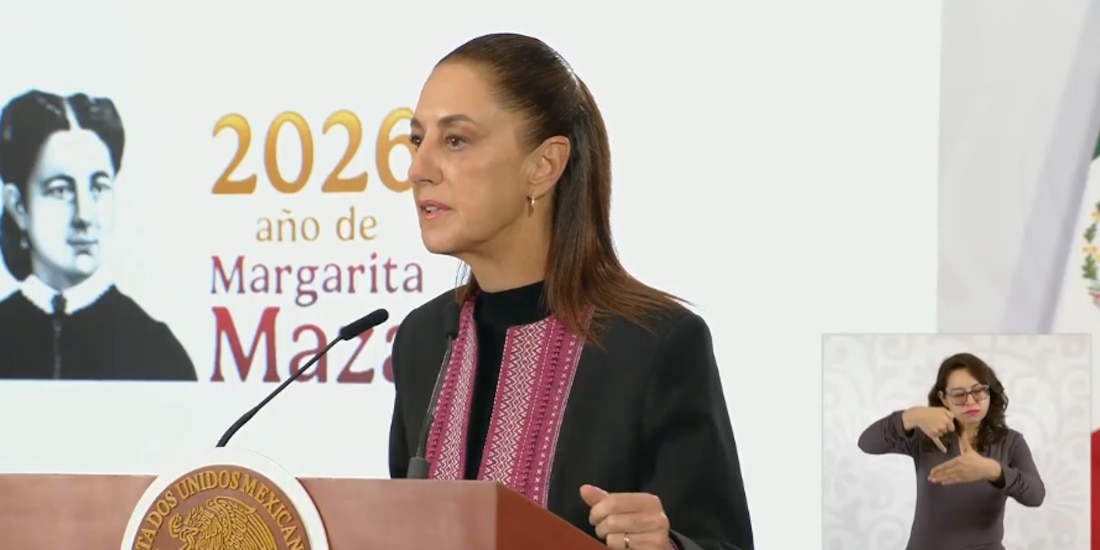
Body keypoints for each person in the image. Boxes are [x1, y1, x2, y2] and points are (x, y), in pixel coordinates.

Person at [386, 33, 754, 550]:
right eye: (416, 139)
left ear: (544, 165)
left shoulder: (654, 344)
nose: (418, 170)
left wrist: (670, 547)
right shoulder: (423, 340)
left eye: (455, 140)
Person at [0, 90, 196, 381]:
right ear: (18, 205)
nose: (84, 215)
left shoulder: (156, 351)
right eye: (61, 190)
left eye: (98, 188)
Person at [857, 352, 1045, 550]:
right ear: (944, 398)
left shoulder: (1010, 442)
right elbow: (867, 443)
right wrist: (912, 415)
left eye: (978, 391)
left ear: (990, 393)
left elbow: (1036, 496)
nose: (971, 401)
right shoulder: (924, 436)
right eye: (958, 394)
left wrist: (993, 470)